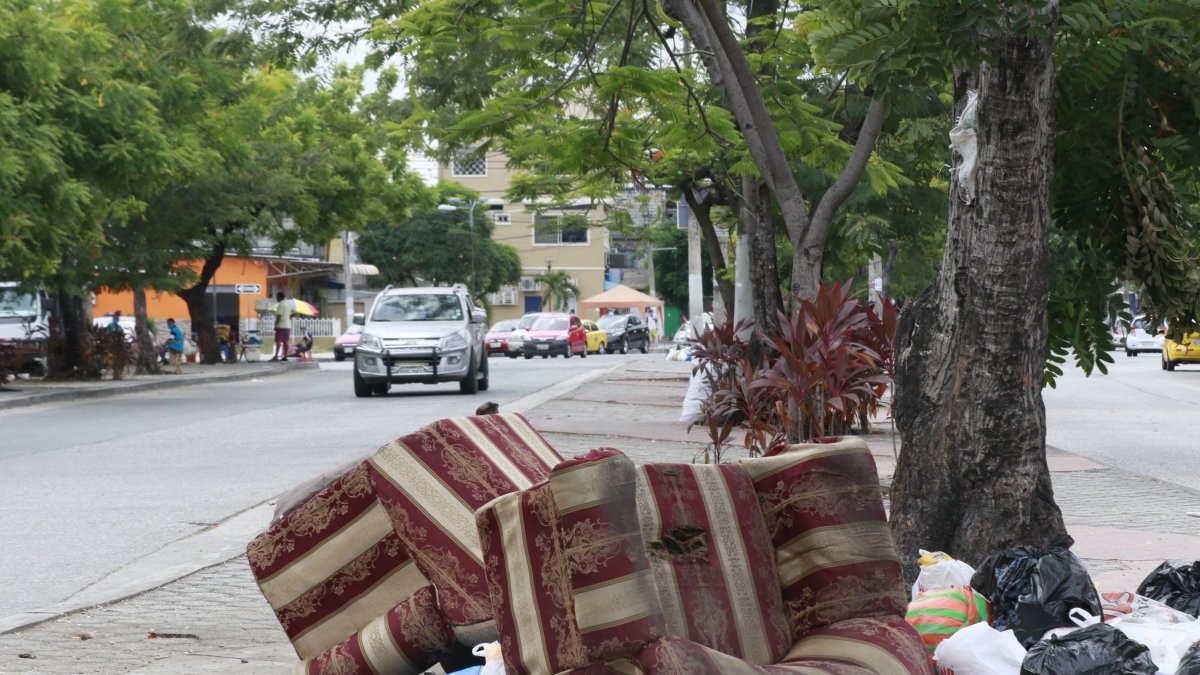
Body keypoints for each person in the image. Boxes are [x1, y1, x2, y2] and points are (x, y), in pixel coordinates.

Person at [271, 291, 293, 362]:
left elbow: (279, 316)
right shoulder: (288, 304)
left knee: (278, 341)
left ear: (279, 297)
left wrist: (275, 324)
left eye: (277, 297)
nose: (276, 299)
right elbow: (295, 312)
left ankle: (276, 356)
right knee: (285, 341)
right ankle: (285, 356)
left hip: (281, 325)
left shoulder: (281, 304)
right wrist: (289, 317)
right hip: (288, 325)